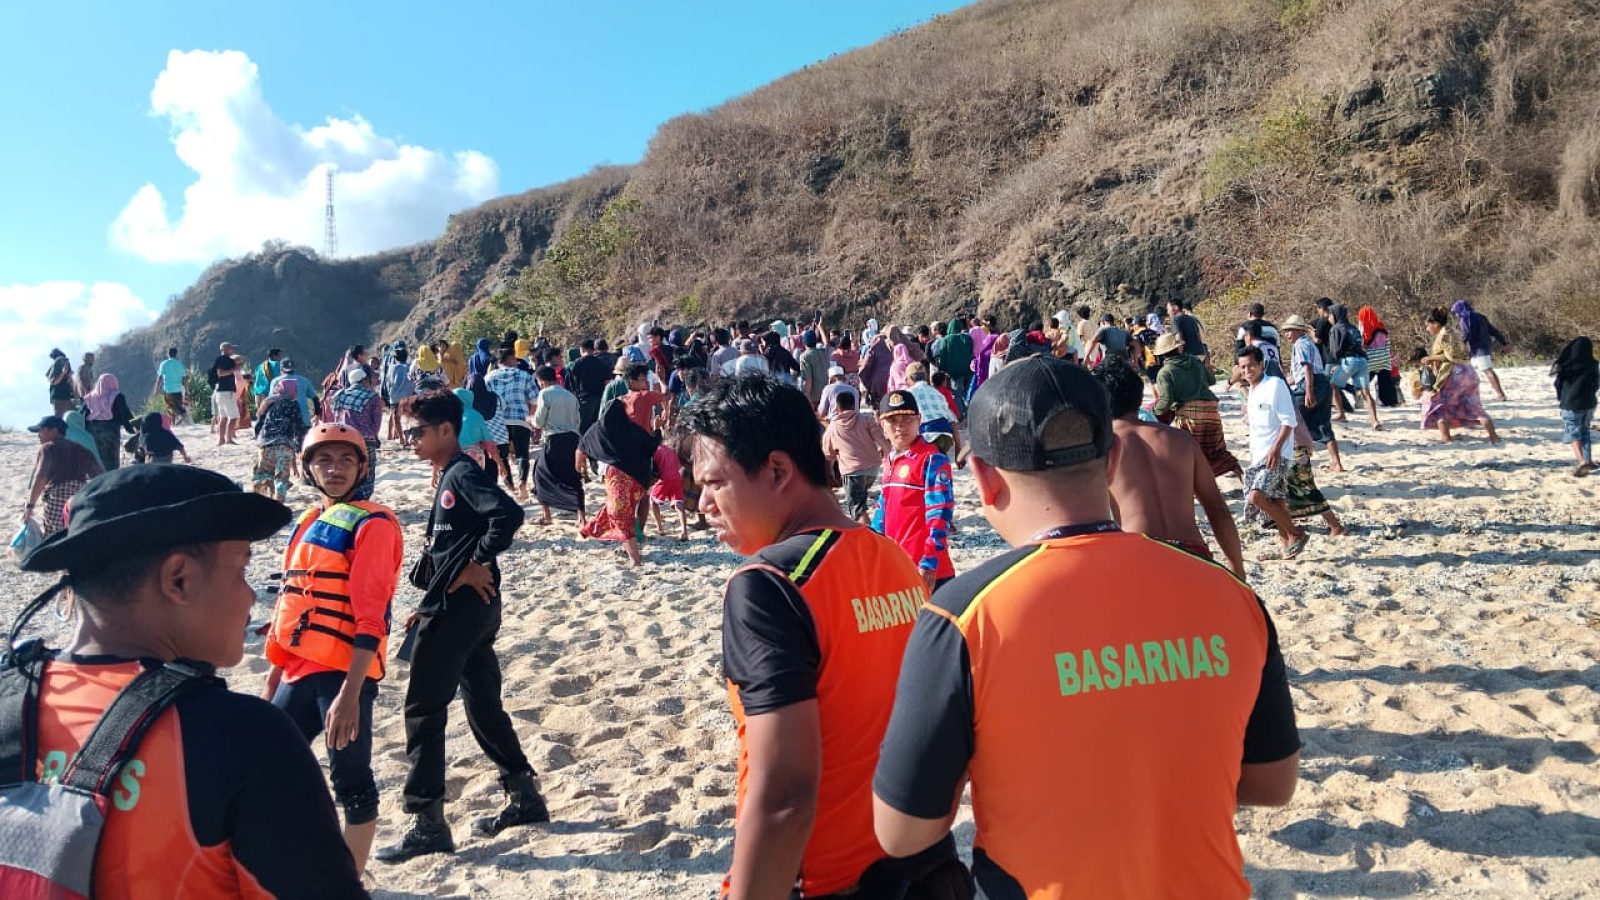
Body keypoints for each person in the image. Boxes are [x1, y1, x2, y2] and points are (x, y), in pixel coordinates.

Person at [870, 356, 1299, 898]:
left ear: (982, 476)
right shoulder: (1232, 598)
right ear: (1112, 455)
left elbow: (902, 831)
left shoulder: (963, 615)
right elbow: (1271, 782)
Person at [7, 465, 370, 898]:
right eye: (240, 571)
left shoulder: (9, 696)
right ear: (178, 580)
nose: (252, 596)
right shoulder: (245, 738)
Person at [675, 376, 971, 900]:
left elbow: (785, 796)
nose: (704, 505)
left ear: (778, 470)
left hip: (828, 877)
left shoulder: (771, 585)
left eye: (715, 483)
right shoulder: (891, 558)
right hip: (917, 863)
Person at [379, 391, 545, 863]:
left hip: (461, 610)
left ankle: (427, 823)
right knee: (483, 704)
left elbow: (508, 515)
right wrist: (438, 588)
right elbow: (447, 546)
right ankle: (524, 795)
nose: (409, 440)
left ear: (446, 430)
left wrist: (475, 561)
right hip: (466, 609)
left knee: (423, 711)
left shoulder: (462, 473)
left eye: (416, 432)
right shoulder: (449, 473)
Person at [263, 423, 403, 876]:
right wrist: (272, 678)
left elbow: (371, 616)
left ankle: (349, 883)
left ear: (362, 467)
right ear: (308, 468)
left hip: (344, 676)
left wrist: (350, 695)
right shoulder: (306, 521)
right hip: (297, 671)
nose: (335, 468)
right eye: (325, 460)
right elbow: (289, 603)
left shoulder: (373, 524)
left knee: (353, 783)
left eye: (346, 460)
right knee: (270, 770)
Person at [1095, 361, 1246, 579]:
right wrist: (1237, 571)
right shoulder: (1181, 440)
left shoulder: (1101, 450)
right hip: (1192, 553)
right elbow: (1217, 509)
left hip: (1140, 554)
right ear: (1139, 396)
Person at [871, 390, 955, 592]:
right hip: (898, 566)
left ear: (919, 420)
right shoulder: (890, 460)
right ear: (882, 426)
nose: (900, 426)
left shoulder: (932, 459)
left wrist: (930, 561)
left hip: (928, 571)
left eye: (907, 419)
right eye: (892, 421)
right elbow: (883, 509)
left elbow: (940, 513)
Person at [1236, 346, 1310, 557]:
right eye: (1243, 367)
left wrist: (1276, 449)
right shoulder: (1251, 391)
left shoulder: (1275, 385)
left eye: (1251, 365)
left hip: (1277, 454)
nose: (1247, 370)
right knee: (1276, 501)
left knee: (1256, 496)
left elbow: (1289, 421)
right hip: (1257, 456)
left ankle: (1296, 533)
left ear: (1261, 365)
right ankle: (1286, 544)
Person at [577, 400, 658, 567]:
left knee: (620, 515)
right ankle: (589, 530)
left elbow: (581, 449)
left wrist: (579, 469)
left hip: (617, 479)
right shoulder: (632, 429)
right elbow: (651, 446)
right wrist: (658, 429)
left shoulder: (597, 429)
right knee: (619, 511)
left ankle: (635, 559)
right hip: (639, 480)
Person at [1150, 333, 1241, 479]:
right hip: (1211, 409)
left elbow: (1166, 400)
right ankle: (1238, 472)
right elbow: (1211, 380)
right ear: (1178, 348)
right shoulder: (1195, 361)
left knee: (1190, 453)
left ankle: (1193, 486)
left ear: (1161, 355)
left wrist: (1154, 411)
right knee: (1215, 448)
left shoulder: (1165, 373)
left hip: (1189, 415)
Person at [1421, 307, 1500, 444]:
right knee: (1474, 406)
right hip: (1468, 371)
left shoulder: (1444, 334)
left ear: (1435, 324)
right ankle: (1493, 437)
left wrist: (1430, 358)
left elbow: (1450, 356)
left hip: (1453, 374)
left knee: (1438, 406)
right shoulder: (1453, 332)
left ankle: (1447, 438)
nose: (1427, 329)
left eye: (1428, 326)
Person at [1279, 315, 1346, 472]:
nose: (1287, 335)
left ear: (1298, 330)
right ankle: (1336, 462)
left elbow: (1307, 369)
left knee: (1294, 421)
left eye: (1289, 331)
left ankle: (1300, 462)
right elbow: (1300, 375)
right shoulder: (1310, 344)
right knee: (1324, 425)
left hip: (1311, 385)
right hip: (1322, 383)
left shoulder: (1300, 345)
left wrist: (1309, 392)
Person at [24, 415, 102, 536]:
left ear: (54, 431)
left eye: (41, 431)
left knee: (55, 537)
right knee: (76, 533)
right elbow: (99, 476)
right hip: (80, 498)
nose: (38, 435)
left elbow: (41, 478)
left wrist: (30, 506)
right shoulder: (82, 450)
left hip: (58, 498)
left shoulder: (48, 448)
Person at [822, 390, 889, 524]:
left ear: (837, 407)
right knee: (862, 498)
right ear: (855, 404)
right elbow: (881, 438)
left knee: (856, 508)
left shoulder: (833, 427)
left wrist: (830, 472)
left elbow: (827, 454)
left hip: (852, 472)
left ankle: (867, 536)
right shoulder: (866, 419)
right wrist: (888, 456)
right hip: (873, 469)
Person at [531, 366, 586, 526]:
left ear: (542, 381)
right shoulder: (570, 395)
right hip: (572, 439)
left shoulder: (545, 393)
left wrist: (531, 421)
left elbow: (539, 421)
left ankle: (546, 515)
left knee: (539, 474)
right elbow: (577, 421)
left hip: (554, 440)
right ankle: (581, 517)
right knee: (573, 476)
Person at [487, 348, 539, 500]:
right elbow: (534, 400)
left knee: (502, 457)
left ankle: (510, 487)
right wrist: (530, 417)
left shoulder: (489, 377)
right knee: (523, 454)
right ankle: (522, 483)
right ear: (510, 359)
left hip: (498, 422)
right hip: (520, 420)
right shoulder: (524, 375)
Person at [331, 369, 383, 501]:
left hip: (342, 439)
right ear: (365, 380)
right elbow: (376, 423)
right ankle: (363, 501)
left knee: (346, 470)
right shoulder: (372, 396)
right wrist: (374, 436)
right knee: (367, 472)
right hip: (365, 440)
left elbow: (335, 416)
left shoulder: (339, 395)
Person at [1325, 304, 1380, 429]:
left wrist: (1337, 364)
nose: (1328, 318)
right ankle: (1375, 420)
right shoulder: (1353, 327)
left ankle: (1340, 413)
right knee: (1366, 392)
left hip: (1349, 361)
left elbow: (1335, 350)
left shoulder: (1335, 329)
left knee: (1333, 386)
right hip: (1363, 360)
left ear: (1335, 315)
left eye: (1330, 315)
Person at [253, 379, 308, 501]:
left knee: (263, 475)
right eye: (295, 389)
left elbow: (259, 423)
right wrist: (300, 446)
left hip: (265, 444)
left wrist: (259, 440)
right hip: (284, 444)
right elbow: (299, 427)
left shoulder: (268, 402)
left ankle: (258, 501)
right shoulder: (293, 404)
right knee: (281, 477)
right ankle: (278, 501)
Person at [1552, 336, 1597, 477]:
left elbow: (1557, 384)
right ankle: (1588, 460)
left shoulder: (1565, 365)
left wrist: (1561, 397)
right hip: (1589, 403)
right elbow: (1596, 384)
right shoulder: (1594, 364)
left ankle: (1581, 460)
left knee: (1572, 433)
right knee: (1584, 432)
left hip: (1570, 404)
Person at [1453, 299, 1509, 402]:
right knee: (1473, 373)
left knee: (1487, 370)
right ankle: (1470, 395)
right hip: (1484, 346)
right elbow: (1493, 330)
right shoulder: (1480, 316)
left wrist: (1462, 345)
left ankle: (1501, 395)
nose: (1456, 315)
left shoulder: (1465, 318)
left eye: (1456, 312)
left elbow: (1466, 333)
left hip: (1478, 349)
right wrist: (1504, 342)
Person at [81, 373, 139, 471]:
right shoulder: (117, 396)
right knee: (111, 456)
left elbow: (82, 414)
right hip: (110, 430)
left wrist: (84, 429)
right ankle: (111, 477)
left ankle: (99, 477)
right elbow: (125, 414)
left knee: (97, 455)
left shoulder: (89, 398)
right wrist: (132, 428)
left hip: (93, 431)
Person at [904, 363, 961, 458]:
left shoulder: (909, 394)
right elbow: (953, 422)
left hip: (927, 436)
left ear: (909, 378)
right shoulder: (937, 393)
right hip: (946, 437)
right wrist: (958, 450)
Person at [1358, 306, 1402, 408]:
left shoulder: (1365, 329)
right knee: (1386, 382)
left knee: (1363, 381)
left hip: (1371, 361)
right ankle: (1391, 401)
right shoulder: (1381, 328)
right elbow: (1387, 344)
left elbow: (1362, 344)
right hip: (1384, 361)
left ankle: (1361, 399)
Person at [648, 443, 690, 540]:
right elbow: (679, 465)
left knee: (653, 501)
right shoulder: (673, 449)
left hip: (663, 479)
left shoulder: (656, 449)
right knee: (678, 503)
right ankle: (684, 531)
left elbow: (653, 467)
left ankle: (660, 528)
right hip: (676, 478)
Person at [207, 342, 241, 446]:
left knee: (223, 417)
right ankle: (228, 439)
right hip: (226, 391)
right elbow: (221, 373)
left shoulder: (223, 360)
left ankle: (221, 439)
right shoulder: (223, 359)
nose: (232, 350)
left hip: (220, 391)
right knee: (234, 417)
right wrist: (233, 370)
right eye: (230, 348)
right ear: (224, 349)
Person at [386, 346, 416, 447]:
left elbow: (388, 382)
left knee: (396, 417)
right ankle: (409, 438)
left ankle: (402, 439)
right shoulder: (410, 366)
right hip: (408, 396)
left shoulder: (391, 368)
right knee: (410, 418)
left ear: (395, 358)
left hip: (394, 396)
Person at [153, 346, 189, 423]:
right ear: (176, 354)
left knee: (171, 405)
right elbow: (184, 378)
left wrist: (156, 389)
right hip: (178, 389)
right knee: (177, 406)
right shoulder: (179, 364)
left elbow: (160, 377)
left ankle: (182, 414)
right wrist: (186, 390)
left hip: (168, 389)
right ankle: (177, 419)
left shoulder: (164, 363)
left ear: (168, 354)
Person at [1167, 298, 1207, 362]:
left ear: (1175, 307)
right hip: (1200, 354)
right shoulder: (1191, 318)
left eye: (1168, 309)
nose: (1168, 312)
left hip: (1188, 357)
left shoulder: (1175, 319)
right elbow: (1199, 337)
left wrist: (1179, 358)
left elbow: (1179, 339)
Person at [798, 332, 833, 406]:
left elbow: (808, 379)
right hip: (827, 392)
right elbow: (826, 343)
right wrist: (820, 327)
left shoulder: (804, 356)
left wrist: (807, 397)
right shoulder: (823, 352)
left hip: (814, 396)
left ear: (804, 342)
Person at [46, 348, 76, 416]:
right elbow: (54, 381)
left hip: (64, 395)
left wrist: (68, 376)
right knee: (60, 417)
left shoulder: (56, 365)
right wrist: (63, 373)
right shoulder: (58, 363)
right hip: (59, 396)